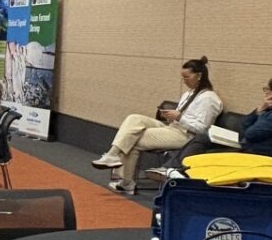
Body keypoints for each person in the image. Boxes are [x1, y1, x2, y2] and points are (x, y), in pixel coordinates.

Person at [91, 56, 222, 195]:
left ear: (199, 76)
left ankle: (126, 182)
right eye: (182, 77)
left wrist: (180, 117)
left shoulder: (209, 99)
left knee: (132, 139)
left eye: (187, 77)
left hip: (186, 136)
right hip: (173, 127)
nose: (184, 81)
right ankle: (113, 156)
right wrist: (173, 116)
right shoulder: (189, 94)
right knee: (134, 119)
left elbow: (203, 129)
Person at [163, 76, 272, 169]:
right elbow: (244, 126)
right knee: (202, 138)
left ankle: (174, 169)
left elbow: (250, 133)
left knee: (204, 151)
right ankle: (173, 168)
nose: (265, 93)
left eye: (268, 90)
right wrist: (260, 110)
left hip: (257, 154)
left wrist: (260, 115)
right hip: (248, 147)